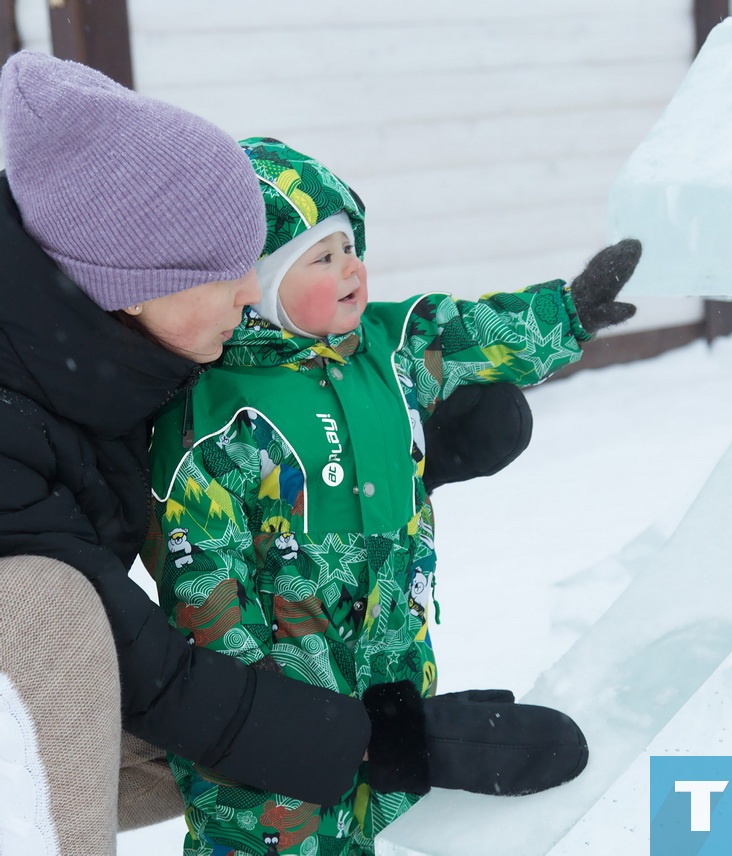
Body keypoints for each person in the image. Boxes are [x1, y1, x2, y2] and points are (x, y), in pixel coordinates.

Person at [0, 52, 584, 856]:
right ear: (131, 283)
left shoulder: (86, 343)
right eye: (228, 272)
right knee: (47, 614)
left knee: (223, 742)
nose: (252, 295)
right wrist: (376, 741)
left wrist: (390, 465)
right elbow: (148, 668)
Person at [143, 136, 641, 855]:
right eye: (321, 258)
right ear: (254, 283)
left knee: (392, 827)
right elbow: (203, 584)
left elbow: (472, 336)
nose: (351, 269)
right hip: (274, 713)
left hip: (389, 667)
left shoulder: (387, 343)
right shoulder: (215, 414)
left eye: (350, 248)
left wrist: (568, 314)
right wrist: (257, 720)